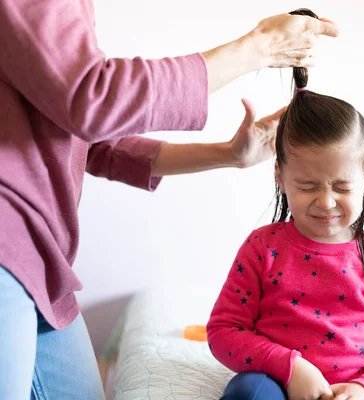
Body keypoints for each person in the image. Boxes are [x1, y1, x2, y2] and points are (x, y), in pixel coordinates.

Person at [0, 0, 339, 398]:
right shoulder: (262, 249)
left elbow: (91, 142)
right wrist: (259, 46)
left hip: (39, 261)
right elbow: (91, 98)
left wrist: (229, 154)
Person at [206, 10, 364, 400]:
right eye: (307, 186)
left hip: (352, 390)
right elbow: (223, 332)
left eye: (342, 186)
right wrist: (288, 367)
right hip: (273, 381)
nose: (326, 202)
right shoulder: (262, 248)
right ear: (280, 177)